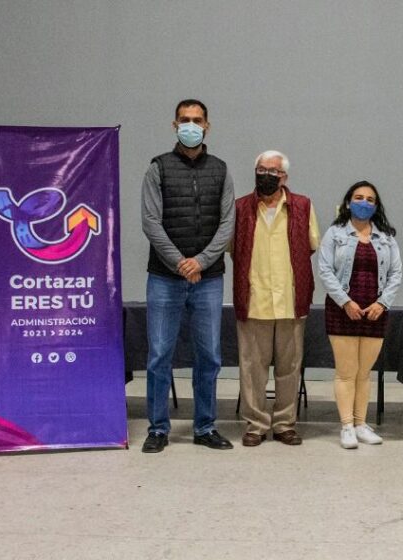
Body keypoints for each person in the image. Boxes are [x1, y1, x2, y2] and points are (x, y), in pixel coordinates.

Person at [140, 99, 234, 453]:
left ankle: (205, 427)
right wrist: (181, 262)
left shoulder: (221, 170)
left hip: (208, 279)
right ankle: (158, 428)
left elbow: (227, 223)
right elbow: (151, 222)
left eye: (197, 120)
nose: (190, 125)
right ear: (174, 125)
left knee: (209, 356)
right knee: (159, 355)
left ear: (207, 126)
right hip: (164, 278)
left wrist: (201, 262)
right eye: (184, 120)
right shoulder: (158, 168)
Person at [231, 150, 319, 447]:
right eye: (261, 170)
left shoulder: (303, 206)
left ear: (284, 177)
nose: (266, 175)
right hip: (253, 299)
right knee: (252, 369)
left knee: (289, 368)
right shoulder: (240, 207)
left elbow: (311, 245)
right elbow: (232, 248)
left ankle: (284, 424)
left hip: (290, 300)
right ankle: (255, 425)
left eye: (273, 171)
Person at [318, 181, 403, 449]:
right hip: (342, 310)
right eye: (358, 197)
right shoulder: (335, 233)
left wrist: (382, 303)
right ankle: (346, 426)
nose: (364, 203)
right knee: (346, 372)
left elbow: (396, 274)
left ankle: (361, 424)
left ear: (376, 206)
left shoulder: (386, 237)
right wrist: (345, 302)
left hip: (375, 312)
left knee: (364, 373)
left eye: (370, 199)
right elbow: (325, 270)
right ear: (348, 202)